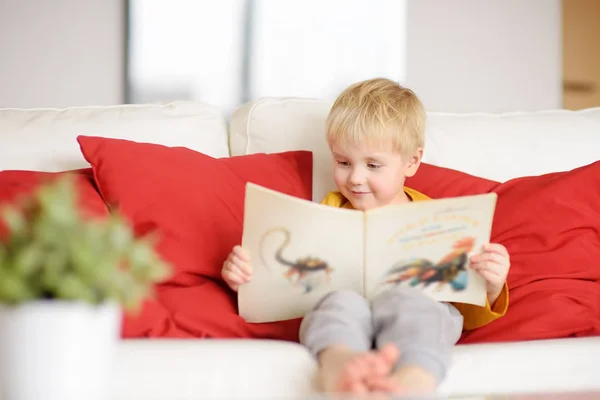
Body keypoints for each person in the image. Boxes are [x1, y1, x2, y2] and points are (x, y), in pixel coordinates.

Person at [221, 78, 510, 395]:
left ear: (412, 162)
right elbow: (292, 282)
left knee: (417, 307)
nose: (355, 178)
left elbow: (465, 308)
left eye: (373, 165)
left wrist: (491, 286)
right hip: (351, 309)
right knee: (337, 303)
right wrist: (248, 277)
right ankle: (340, 365)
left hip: (419, 310)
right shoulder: (328, 210)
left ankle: (414, 379)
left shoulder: (437, 219)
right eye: (343, 162)